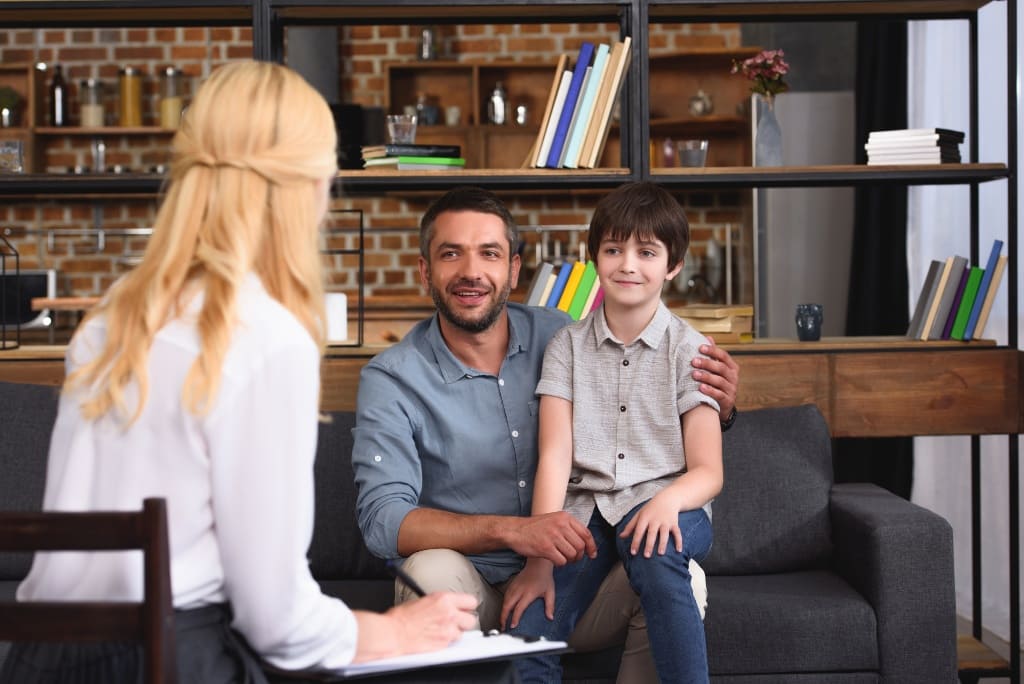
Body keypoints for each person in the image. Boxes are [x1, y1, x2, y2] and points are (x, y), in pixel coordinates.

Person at [0, 61, 490, 684]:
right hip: (173, 659)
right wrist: (396, 629)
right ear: (305, 187)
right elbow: (279, 624)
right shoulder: (266, 338)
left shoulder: (113, 315)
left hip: (43, 661)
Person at [352, 185, 739, 682]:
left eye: (489, 254)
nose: (472, 271)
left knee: (681, 570)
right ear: (426, 270)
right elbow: (383, 521)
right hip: (478, 587)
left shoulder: (557, 333)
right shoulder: (393, 378)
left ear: (514, 270)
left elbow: (643, 387)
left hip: (577, 567)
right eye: (451, 254)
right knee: (428, 573)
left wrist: (718, 407)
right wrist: (515, 533)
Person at [503, 181, 721, 683]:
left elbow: (709, 471)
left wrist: (667, 503)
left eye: (646, 252)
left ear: (672, 266)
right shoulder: (566, 346)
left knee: (658, 548)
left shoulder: (690, 350)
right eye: (614, 249)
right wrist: (539, 560)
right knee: (528, 626)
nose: (628, 264)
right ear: (595, 259)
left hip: (673, 507)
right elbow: (556, 457)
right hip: (589, 515)